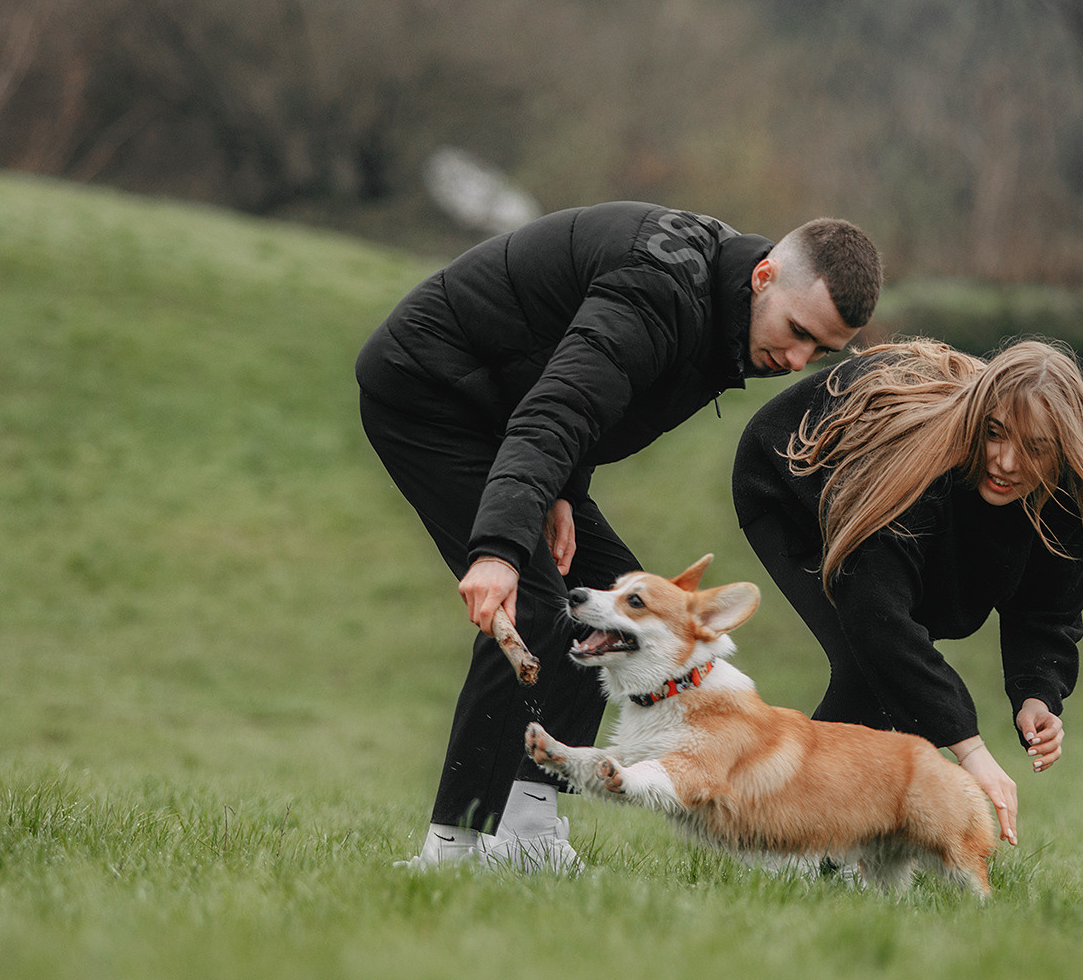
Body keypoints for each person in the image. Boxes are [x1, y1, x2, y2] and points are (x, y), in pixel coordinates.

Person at [358, 203, 881, 870]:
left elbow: (578, 381)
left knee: (610, 609)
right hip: (430, 391)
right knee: (541, 609)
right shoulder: (661, 289)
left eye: (821, 351)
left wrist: (565, 490)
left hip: (506, 411)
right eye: (798, 331)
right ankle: (452, 848)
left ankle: (526, 833)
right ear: (764, 276)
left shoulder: (723, 314)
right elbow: (563, 404)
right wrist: (498, 548)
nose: (797, 358)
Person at [731, 339, 1083, 847]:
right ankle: (787, 840)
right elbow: (879, 617)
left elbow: (1046, 609)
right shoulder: (920, 464)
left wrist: (1037, 693)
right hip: (790, 485)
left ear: (1064, 452)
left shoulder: (1062, 496)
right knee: (869, 662)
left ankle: (825, 842)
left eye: (1034, 447)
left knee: (891, 666)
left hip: (907, 531)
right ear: (977, 421)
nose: (1006, 461)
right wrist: (970, 748)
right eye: (995, 433)